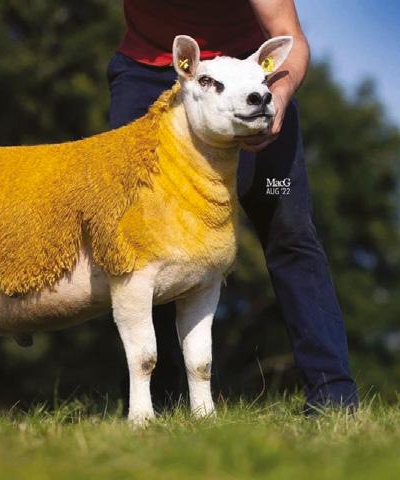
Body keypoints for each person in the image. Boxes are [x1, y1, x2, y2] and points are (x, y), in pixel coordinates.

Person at [107, 0, 358, 413]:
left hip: (247, 78)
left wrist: (277, 98)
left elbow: (290, 36)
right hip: (146, 77)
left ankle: (333, 397)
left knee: (289, 230)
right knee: (142, 243)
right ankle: (155, 404)